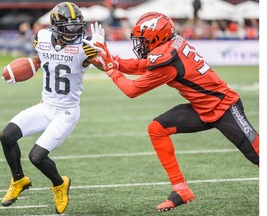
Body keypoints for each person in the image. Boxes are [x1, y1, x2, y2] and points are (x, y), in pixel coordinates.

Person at [84, 12, 259, 212]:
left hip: (224, 107)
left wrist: (110, 69)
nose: (140, 45)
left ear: (156, 37)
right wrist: (113, 61)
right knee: (157, 128)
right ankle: (181, 189)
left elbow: (131, 90)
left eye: (143, 40)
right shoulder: (171, 44)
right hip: (202, 108)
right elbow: (144, 65)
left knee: (259, 156)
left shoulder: (168, 61)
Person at [0, 2, 101, 214]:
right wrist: (23, 69)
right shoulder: (42, 38)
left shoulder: (85, 48)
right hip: (45, 106)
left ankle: (59, 183)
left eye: (76, 26)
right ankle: (19, 179)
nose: (74, 31)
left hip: (66, 113)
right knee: (6, 136)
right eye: (68, 27)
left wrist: (101, 49)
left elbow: (103, 63)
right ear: (55, 26)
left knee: (36, 157)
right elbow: (39, 60)